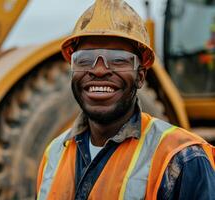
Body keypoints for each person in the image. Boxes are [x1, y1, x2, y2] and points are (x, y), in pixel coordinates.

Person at [36, 0, 215, 199]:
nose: (99, 70)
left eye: (118, 59)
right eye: (84, 59)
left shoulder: (182, 158)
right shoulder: (54, 154)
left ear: (140, 77)